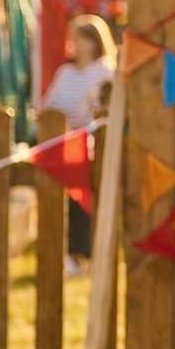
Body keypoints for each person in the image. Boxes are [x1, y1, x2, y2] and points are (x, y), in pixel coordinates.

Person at [42, 14, 116, 273]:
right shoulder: (65, 73)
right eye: (74, 38)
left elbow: (103, 108)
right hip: (61, 142)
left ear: (95, 41)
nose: (76, 44)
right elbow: (48, 104)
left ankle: (83, 251)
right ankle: (66, 252)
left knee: (83, 198)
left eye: (82, 39)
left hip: (92, 145)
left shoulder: (106, 71)